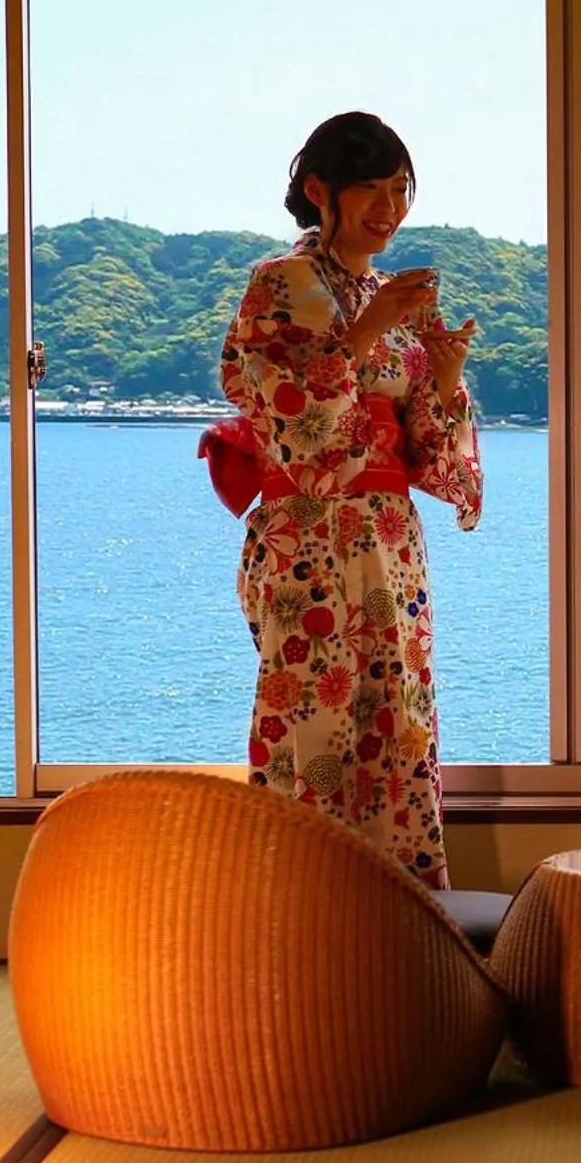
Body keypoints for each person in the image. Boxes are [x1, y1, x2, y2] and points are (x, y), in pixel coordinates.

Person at [213, 111, 481, 889]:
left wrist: (445, 374)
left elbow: (430, 453)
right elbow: (291, 419)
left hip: (389, 539)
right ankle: (305, 924)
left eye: (401, 190)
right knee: (315, 723)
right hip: (311, 532)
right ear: (318, 188)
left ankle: (398, 926)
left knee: (399, 722)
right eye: (373, 188)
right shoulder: (281, 283)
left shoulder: (388, 297)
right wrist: (368, 328)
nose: (390, 209)